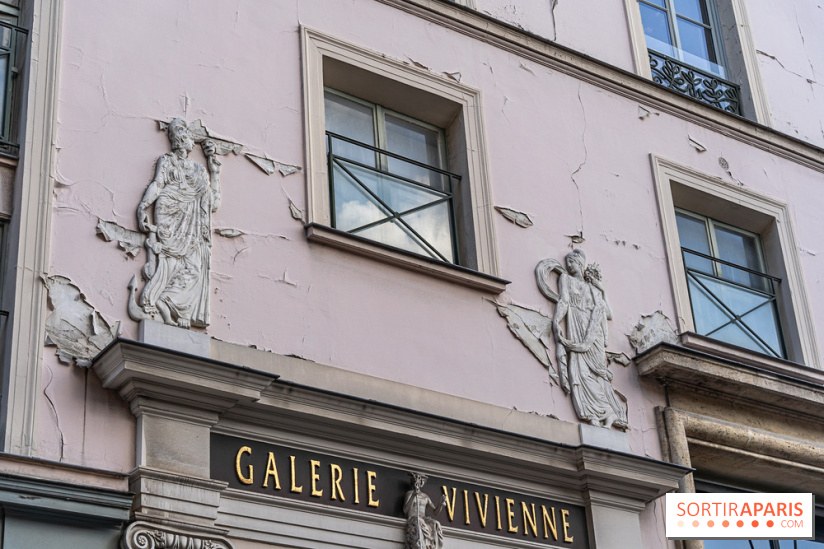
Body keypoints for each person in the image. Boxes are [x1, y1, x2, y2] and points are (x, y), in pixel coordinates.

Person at [136, 118, 221, 328]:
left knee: (193, 266)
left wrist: (214, 171)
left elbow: (212, 204)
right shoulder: (167, 161)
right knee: (170, 262)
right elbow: (158, 184)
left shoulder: (199, 170)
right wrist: (143, 206)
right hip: (169, 215)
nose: (190, 140)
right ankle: (163, 303)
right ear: (182, 139)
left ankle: (169, 302)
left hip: (192, 221)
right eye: (187, 135)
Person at [552, 249, 628, 429]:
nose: (569, 265)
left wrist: (601, 289)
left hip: (593, 333)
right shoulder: (566, 279)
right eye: (567, 262)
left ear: (580, 264)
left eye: (572, 262)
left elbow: (607, 313)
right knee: (580, 371)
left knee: (597, 374)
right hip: (576, 325)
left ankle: (608, 413)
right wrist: (556, 321)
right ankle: (593, 414)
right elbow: (563, 302)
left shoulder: (593, 289)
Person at [403, 474, 445, 549]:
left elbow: (435, 512)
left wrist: (440, 504)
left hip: (423, 518)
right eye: (418, 481)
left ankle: (434, 546)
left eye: (422, 481)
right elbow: (405, 510)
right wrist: (413, 495)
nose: (420, 483)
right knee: (420, 522)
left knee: (436, 524)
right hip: (414, 518)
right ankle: (421, 545)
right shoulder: (409, 494)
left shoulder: (425, 497)